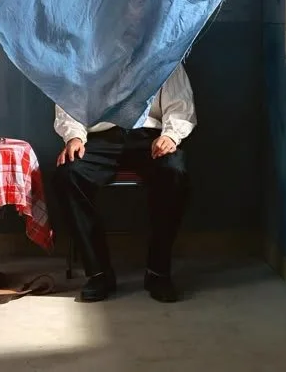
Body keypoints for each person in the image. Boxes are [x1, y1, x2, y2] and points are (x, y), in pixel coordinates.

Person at [53, 62, 196, 303]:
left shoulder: (165, 54)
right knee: (68, 175)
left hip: (150, 136)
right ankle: (98, 274)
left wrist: (171, 136)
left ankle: (158, 272)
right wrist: (74, 136)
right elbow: (70, 101)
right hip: (100, 137)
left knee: (173, 172)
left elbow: (180, 105)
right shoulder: (86, 56)